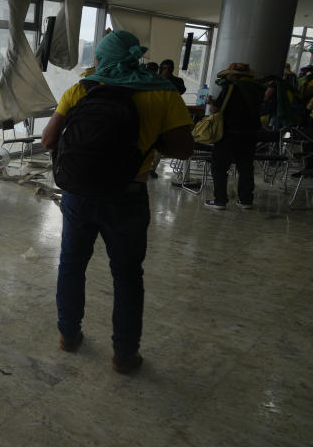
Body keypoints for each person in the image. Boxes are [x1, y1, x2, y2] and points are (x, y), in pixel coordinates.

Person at [40, 30, 193, 374]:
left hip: (79, 195)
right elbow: (184, 149)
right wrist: (149, 144)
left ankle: (68, 335)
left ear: (102, 58)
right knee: (126, 275)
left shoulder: (82, 89)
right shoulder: (162, 93)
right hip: (127, 196)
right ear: (134, 57)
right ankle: (124, 354)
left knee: (71, 264)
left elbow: (48, 139)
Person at [205, 63, 265, 210]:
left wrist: (212, 104)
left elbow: (217, 110)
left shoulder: (232, 88)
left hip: (229, 133)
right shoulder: (258, 89)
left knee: (219, 167)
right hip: (250, 134)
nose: (227, 76)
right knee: (245, 167)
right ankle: (245, 200)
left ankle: (220, 200)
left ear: (236, 75)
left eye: (229, 74)